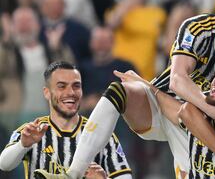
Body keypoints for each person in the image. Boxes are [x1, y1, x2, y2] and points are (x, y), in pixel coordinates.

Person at [34, 0, 215, 178]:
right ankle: (72, 173)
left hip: (199, 130)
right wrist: (214, 111)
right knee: (120, 91)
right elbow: (177, 80)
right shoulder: (198, 28)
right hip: (159, 105)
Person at [0, 61, 132, 179]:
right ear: (47, 92)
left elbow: (124, 175)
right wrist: (23, 145)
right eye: (61, 86)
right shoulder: (32, 131)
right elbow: (4, 164)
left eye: (76, 86)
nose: (71, 92)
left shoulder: (101, 133)